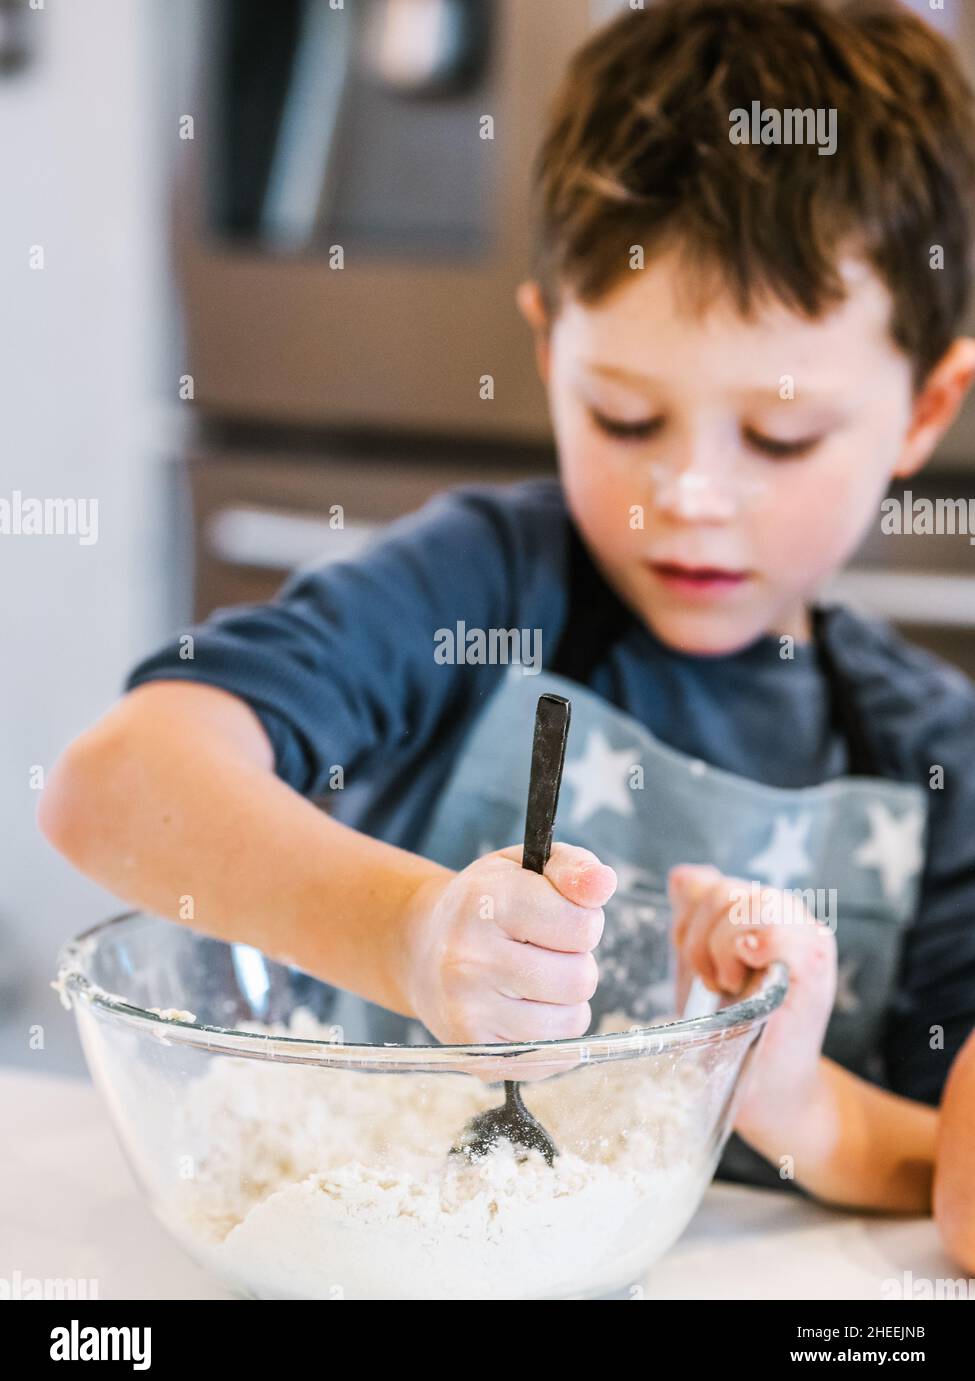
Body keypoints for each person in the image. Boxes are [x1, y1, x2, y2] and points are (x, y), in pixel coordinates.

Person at [39, 0, 975, 1262]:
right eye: (627, 416)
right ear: (548, 351)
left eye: (781, 437)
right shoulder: (485, 585)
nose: (690, 494)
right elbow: (108, 787)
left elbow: (949, 1171)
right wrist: (413, 937)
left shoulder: (932, 759)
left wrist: (782, 1094)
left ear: (927, 409)